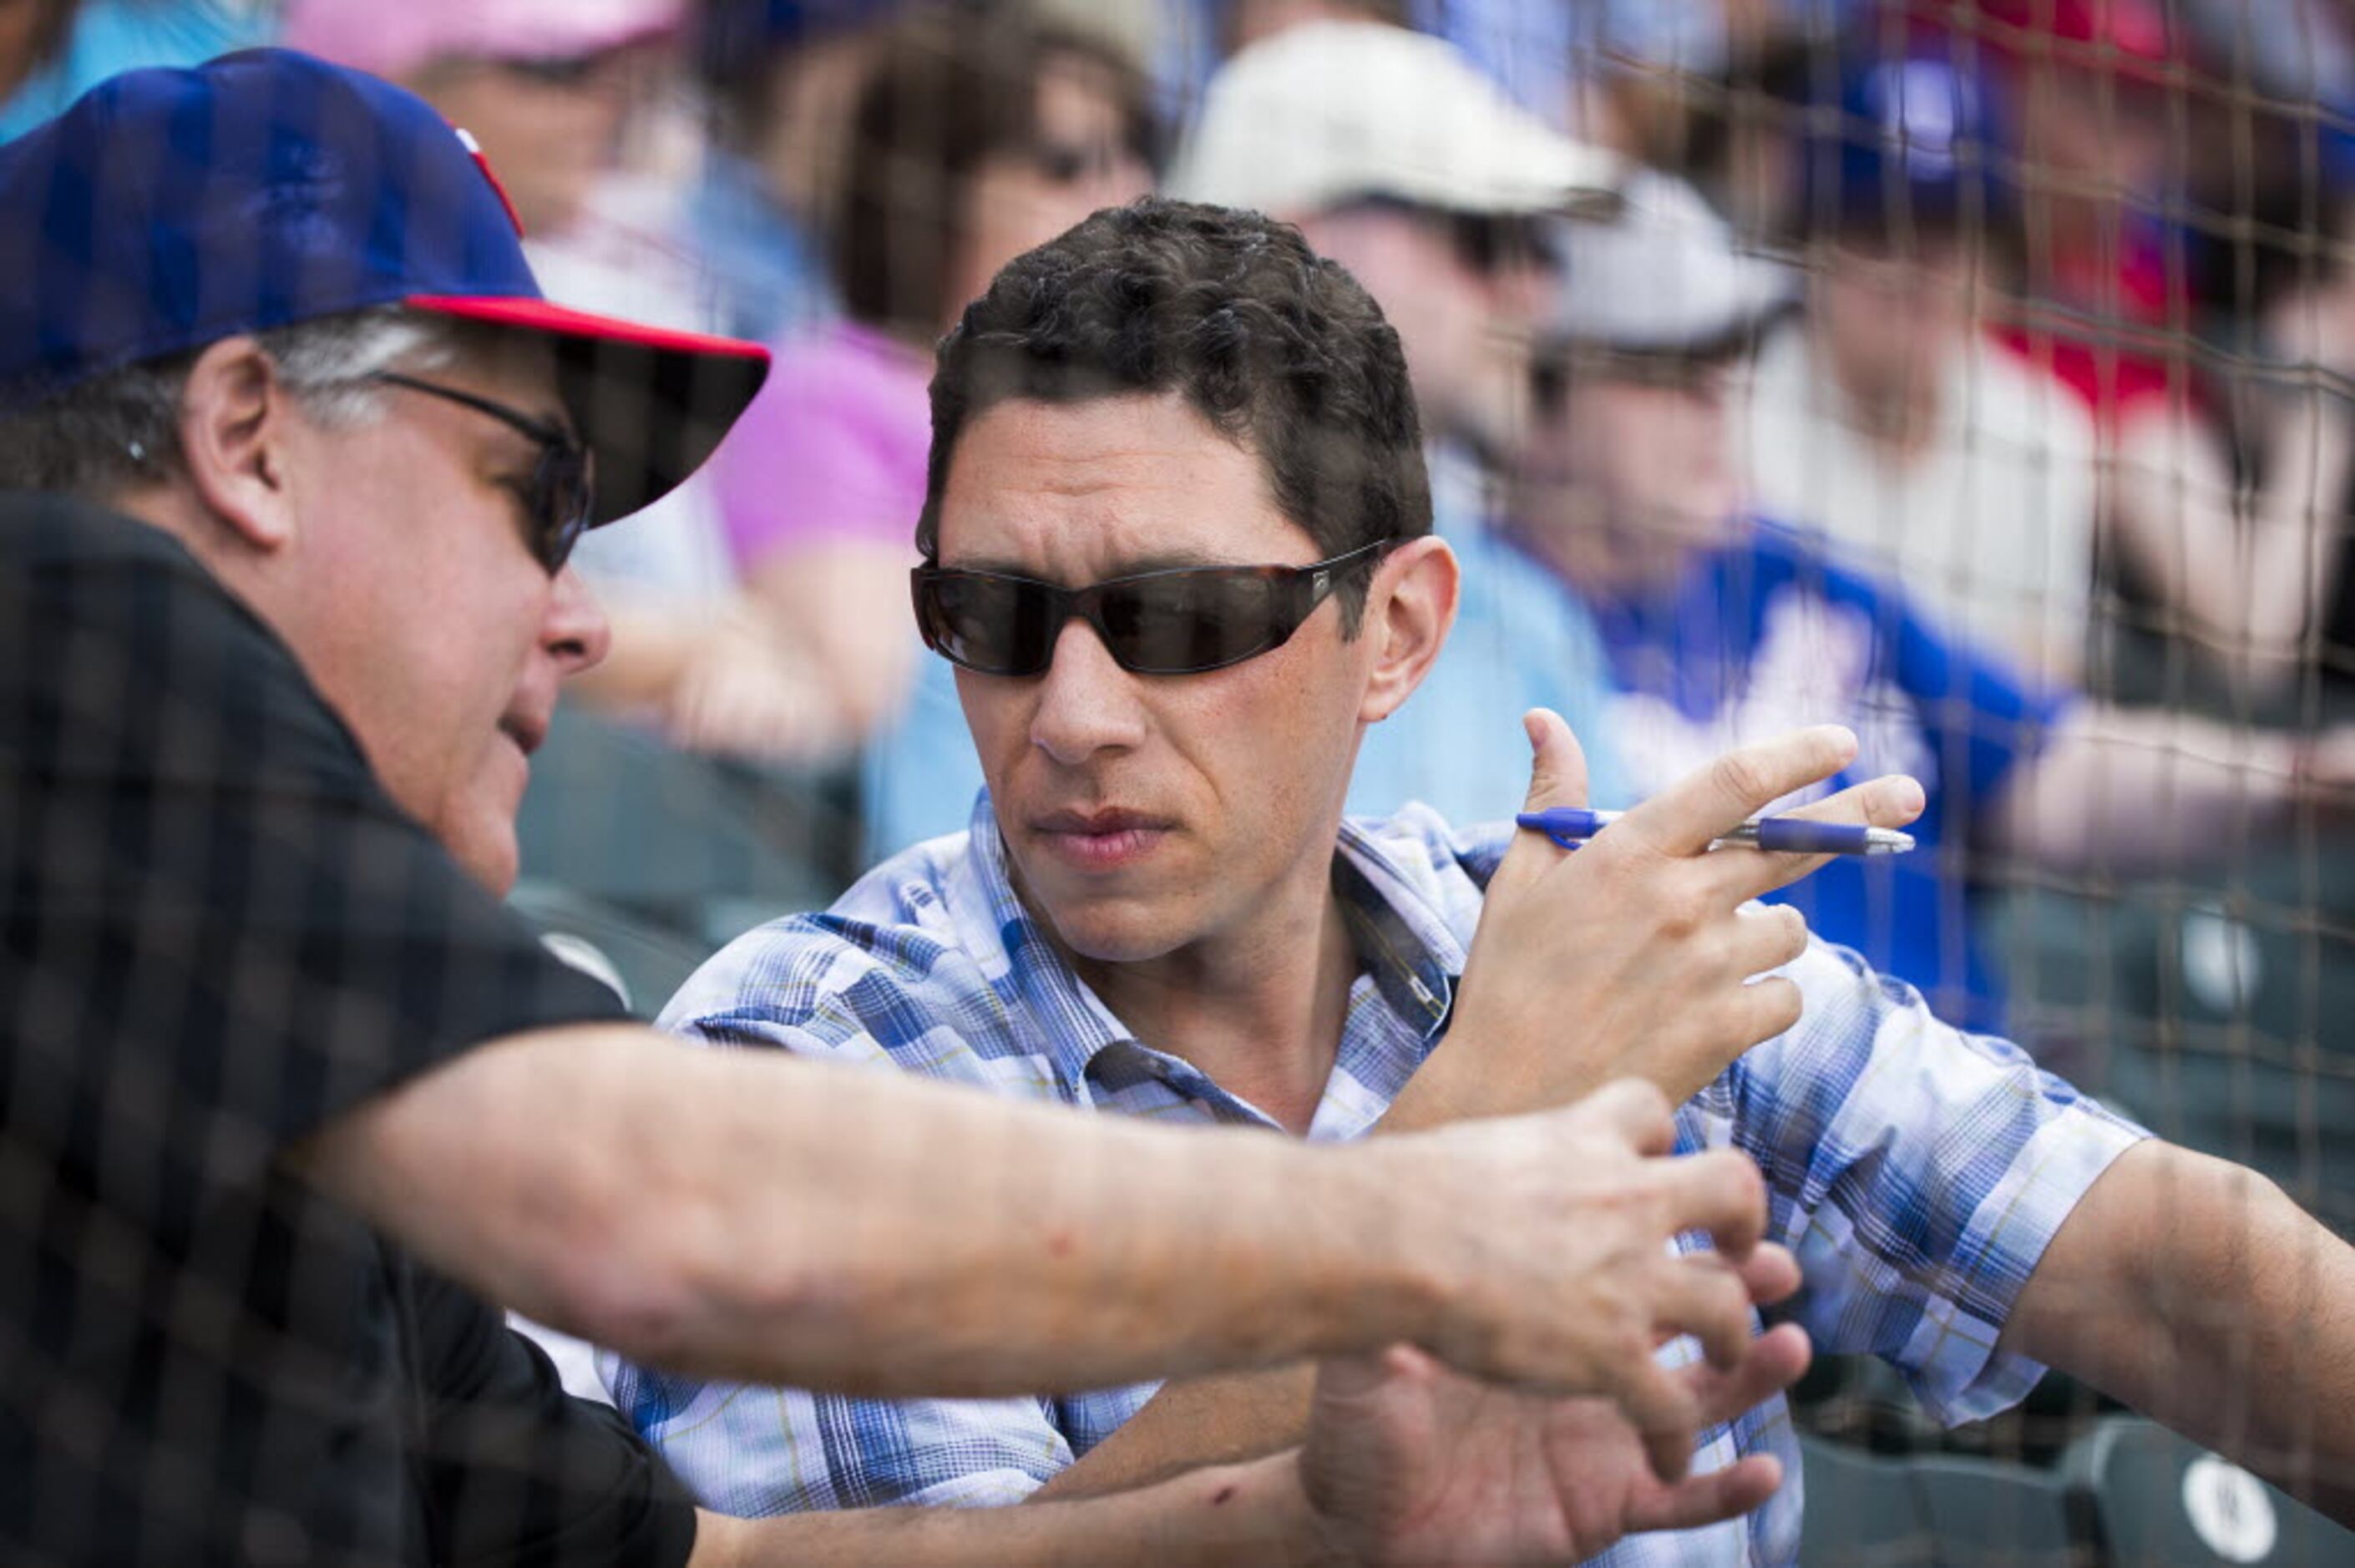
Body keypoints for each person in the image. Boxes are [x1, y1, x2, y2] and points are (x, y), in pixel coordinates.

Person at [0, 51, 1821, 1564]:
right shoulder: (55, 632)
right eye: (529, 491)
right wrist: (1428, 1227)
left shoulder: (317, 1137)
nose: (583, 609)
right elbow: (653, 1211)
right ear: (245, 440)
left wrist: (1302, 1511)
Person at [612, 197, 2355, 1560]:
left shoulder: (1593, 948)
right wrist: (1486, 1124)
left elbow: (2180, 1267)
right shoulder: (803, 1058)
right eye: (989, 619)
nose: (1072, 713)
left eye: (1180, 619)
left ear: (1399, 631)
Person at [1513, 172, 2355, 1036]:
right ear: (1535, 401)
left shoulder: (1788, 572)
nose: (1712, 402)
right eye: (1665, 371)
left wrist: (2295, 782)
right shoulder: (1494, 635)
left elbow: (2049, 770)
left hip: (1962, 1085)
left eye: (1723, 361)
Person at [864, 17, 1630, 857]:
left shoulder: (1526, 611)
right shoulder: (1014, 585)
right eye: (1482, 240)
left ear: (1410, 615)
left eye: (1544, 251)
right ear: (1305, 242)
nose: (1530, 294)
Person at [713, 1, 1159, 765]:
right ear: (942, 186)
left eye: (1136, 152)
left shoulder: (1135, 409)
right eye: (1064, 164)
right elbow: (861, 696)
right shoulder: (825, 393)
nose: (1127, 193)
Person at [1741, 53, 2101, 687]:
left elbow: (2045, 690)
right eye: (1876, 231)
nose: (1911, 271)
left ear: (1995, 265)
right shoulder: (1729, 409)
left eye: (1946, 237)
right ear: (1808, 248)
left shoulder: (2045, 430)